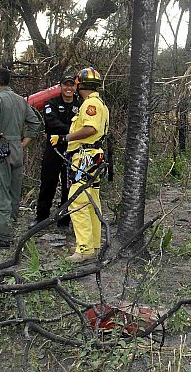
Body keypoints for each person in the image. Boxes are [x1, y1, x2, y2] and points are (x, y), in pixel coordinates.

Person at [50, 67, 109, 263]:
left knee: (78, 200)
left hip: (86, 156)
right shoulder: (98, 102)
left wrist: (64, 138)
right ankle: (93, 245)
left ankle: (83, 249)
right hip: (92, 156)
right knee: (92, 202)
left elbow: (90, 128)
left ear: (80, 84)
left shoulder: (90, 104)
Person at [0, 68, 42, 248]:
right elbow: (35, 123)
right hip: (17, 148)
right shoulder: (20, 101)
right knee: (14, 192)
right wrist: (23, 142)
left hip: (1, 147)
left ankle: (3, 237)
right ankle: (11, 228)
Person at [31, 75, 81, 229]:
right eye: (65, 85)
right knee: (48, 182)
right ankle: (41, 218)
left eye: (71, 85)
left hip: (73, 149)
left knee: (69, 184)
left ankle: (64, 219)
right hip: (53, 148)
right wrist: (71, 132)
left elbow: (84, 125)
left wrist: (70, 135)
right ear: (60, 86)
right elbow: (51, 123)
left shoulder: (81, 105)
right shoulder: (51, 103)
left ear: (75, 87)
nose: (68, 88)